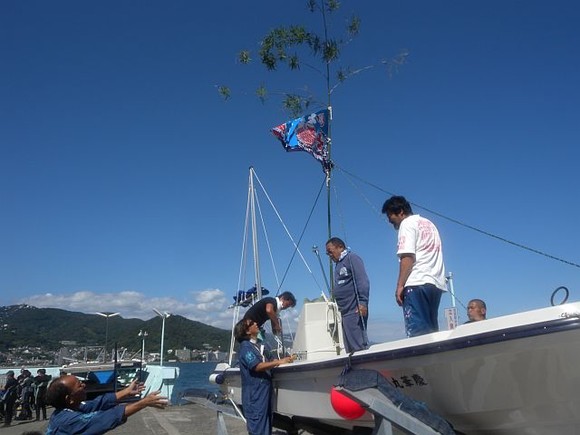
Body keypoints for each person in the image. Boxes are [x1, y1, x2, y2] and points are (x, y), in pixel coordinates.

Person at [382, 195, 447, 337]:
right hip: (435, 284)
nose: (389, 220)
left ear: (400, 212)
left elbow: (408, 257)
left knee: (418, 335)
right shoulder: (429, 224)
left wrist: (400, 286)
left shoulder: (407, 224)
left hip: (416, 283)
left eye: (390, 215)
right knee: (431, 333)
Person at [45, 375, 167, 434]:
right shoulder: (67, 420)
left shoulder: (69, 409)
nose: (84, 385)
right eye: (79, 385)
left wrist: (126, 391)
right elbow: (104, 419)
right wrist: (144, 402)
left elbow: (98, 403)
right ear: (69, 398)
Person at [234, 318, 295, 435]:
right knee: (258, 428)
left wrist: (284, 360)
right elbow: (257, 366)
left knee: (266, 426)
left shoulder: (258, 346)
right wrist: (279, 362)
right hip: (255, 396)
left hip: (264, 394)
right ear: (247, 331)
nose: (256, 323)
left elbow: (268, 361)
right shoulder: (245, 348)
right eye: (252, 324)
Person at [325, 237, 370, 353]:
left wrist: (363, 303)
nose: (329, 255)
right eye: (327, 253)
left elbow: (363, 281)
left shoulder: (352, 258)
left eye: (330, 251)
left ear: (340, 247)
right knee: (349, 348)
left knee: (358, 346)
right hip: (345, 313)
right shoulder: (338, 265)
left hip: (354, 311)